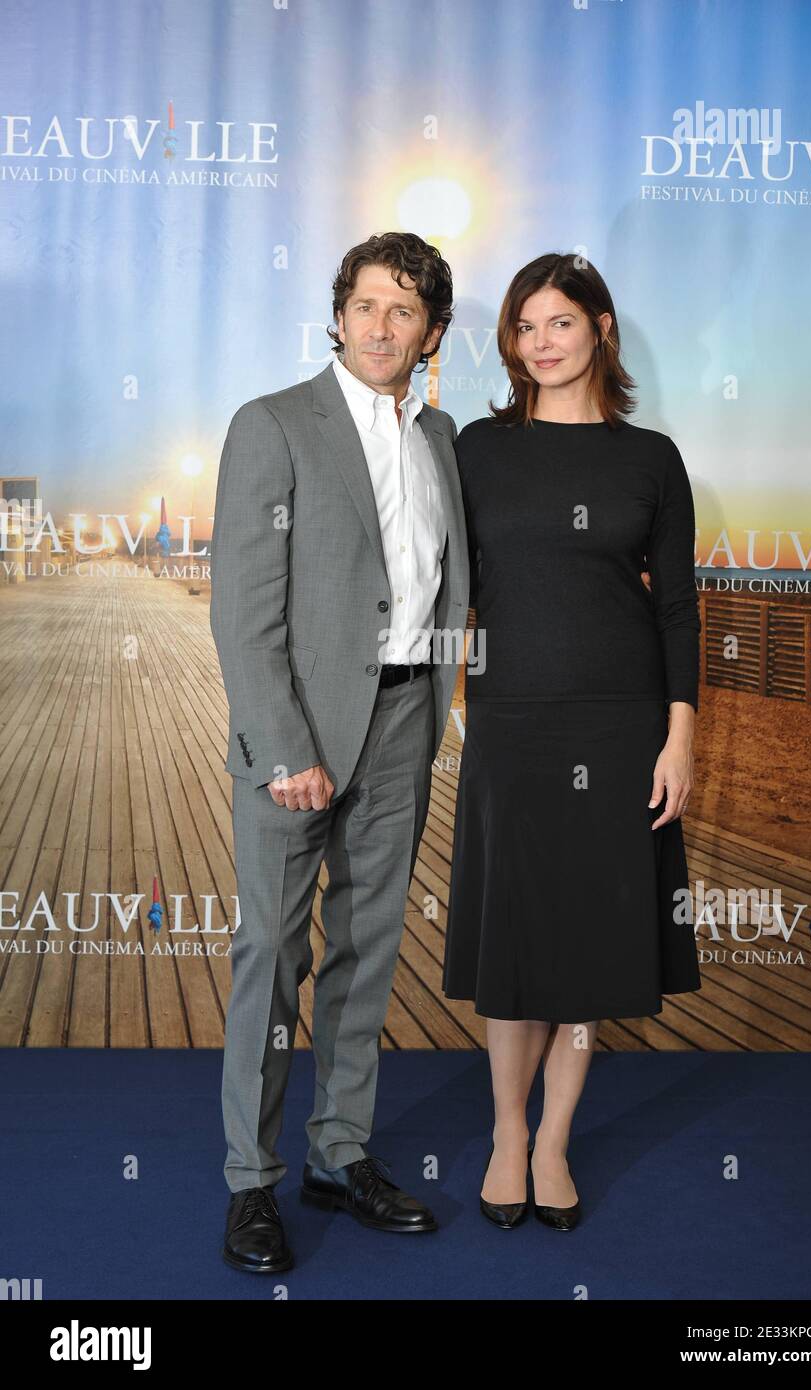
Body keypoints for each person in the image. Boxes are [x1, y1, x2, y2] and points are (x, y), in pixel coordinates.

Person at [210, 232, 469, 1272]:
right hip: (296, 735)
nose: (378, 324)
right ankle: (249, 1182)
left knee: (367, 959)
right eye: (363, 303)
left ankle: (339, 1153)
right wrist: (284, 745)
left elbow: (441, 586)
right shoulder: (273, 423)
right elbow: (242, 609)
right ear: (338, 313)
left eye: (401, 309)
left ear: (430, 333)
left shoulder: (440, 436)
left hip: (405, 721)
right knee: (274, 959)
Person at [443, 252, 702, 1231]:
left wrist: (679, 737)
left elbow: (676, 609)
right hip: (511, 720)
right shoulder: (477, 448)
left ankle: (554, 1144)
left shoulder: (651, 459)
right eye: (524, 325)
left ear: (599, 328)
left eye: (560, 321)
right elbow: (437, 575)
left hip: (623, 720)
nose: (540, 341)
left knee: (591, 946)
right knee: (517, 940)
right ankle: (507, 1133)